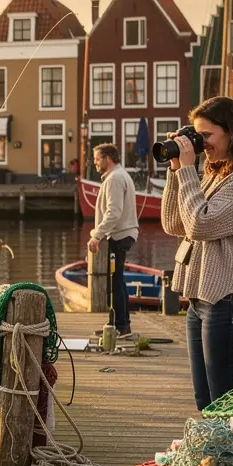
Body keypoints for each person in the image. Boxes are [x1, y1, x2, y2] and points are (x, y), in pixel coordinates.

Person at [161, 96, 233, 410]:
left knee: (226, 405)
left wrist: (187, 170)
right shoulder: (216, 174)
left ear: (232, 132)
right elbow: (174, 223)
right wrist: (174, 169)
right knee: (206, 402)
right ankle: (213, 459)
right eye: (198, 136)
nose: (201, 144)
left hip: (229, 301)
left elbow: (200, 225)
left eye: (206, 136)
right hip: (202, 300)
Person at [87, 143, 139, 337]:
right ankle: (120, 324)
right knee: (118, 281)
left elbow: (113, 212)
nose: (95, 163)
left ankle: (120, 327)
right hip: (123, 234)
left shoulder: (115, 179)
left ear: (108, 158)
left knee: (115, 282)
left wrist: (97, 235)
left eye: (97, 159)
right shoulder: (118, 176)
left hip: (119, 235)